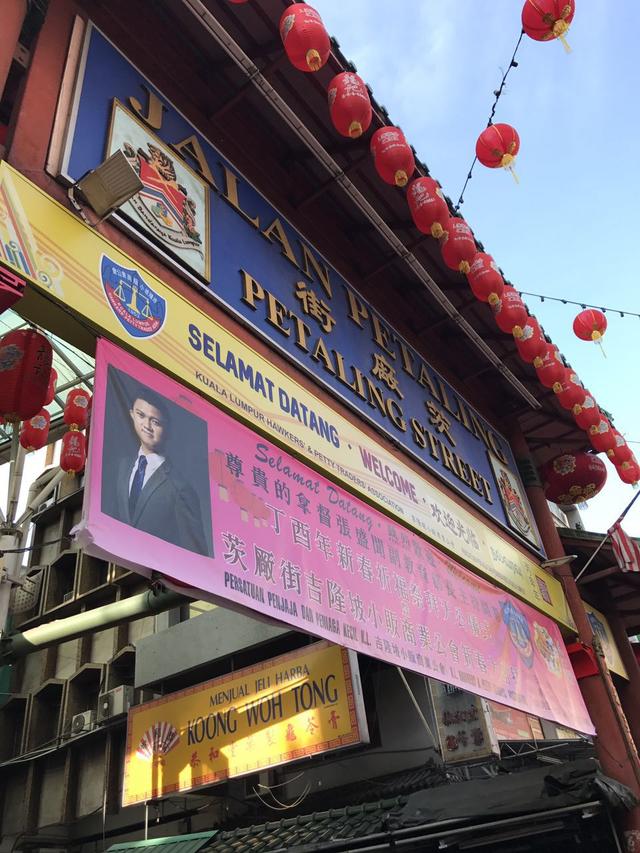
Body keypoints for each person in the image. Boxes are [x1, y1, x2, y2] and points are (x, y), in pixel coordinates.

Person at [112, 387, 210, 556]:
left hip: (155, 568)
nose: (147, 426)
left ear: (167, 429)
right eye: (141, 415)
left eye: (155, 422)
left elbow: (195, 551)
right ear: (132, 415)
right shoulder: (123, 467)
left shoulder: (180, 487)